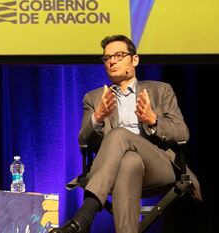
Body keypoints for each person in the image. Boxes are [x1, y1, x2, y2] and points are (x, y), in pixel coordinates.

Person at [51, 35, 202, 233]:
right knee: (129, 161)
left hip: (160, 166)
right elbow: (84, 141)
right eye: (107, 58)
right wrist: (97, 118)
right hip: (119, 170)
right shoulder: (94, 98)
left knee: (119, 134)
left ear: (135, 60)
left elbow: (182, 133)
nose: (112, 61)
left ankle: (85, 214)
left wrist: (153, 120)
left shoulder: (161, 90)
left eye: (119, 55)